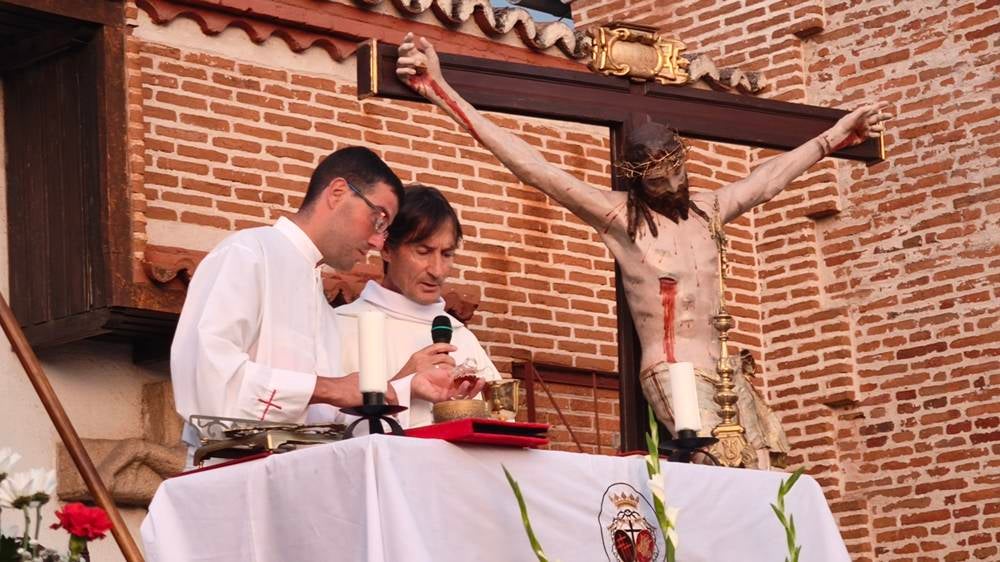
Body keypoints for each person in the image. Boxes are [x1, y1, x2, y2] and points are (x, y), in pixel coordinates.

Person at [396, 34, 890, 467]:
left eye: (677, 171)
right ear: (636, 180)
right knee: (719, 463)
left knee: (768, 470)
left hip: (725, 372)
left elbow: (768, 179)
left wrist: (835, 137)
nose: (672, 184)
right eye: (657, 179)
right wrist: (440, 89)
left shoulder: (710, 209)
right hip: (672, 370)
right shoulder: (622, 220)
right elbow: (534, 167)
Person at [171, 147, 471, 455]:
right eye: (378, 220)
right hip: (231, 470)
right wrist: (328, 387)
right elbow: (206, 375)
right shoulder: (248, 253)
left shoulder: (321, 301)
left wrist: (406, 387)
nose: (378, 241)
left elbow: (330, 424)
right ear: (338, 193)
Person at [308, 184, 499, 428]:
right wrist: (402, 383)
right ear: (387, 249)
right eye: (423, 251)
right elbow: (322, 430)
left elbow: (501, 422)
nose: (437, 270)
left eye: (447, 254)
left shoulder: (462, 337)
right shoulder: (340, 325)